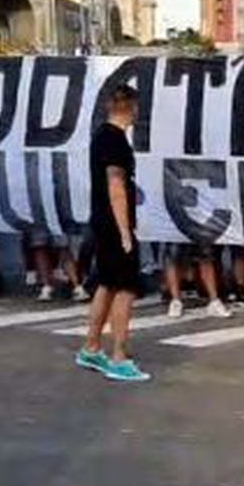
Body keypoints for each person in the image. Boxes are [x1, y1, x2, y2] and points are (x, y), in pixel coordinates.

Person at [77, 86, 150, 383]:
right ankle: (119, 356)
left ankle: (91, 347)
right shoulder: (115, 140)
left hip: (103, 223)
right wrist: (125, 232)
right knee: (125, 288)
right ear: (131, 107)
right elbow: (116, 186)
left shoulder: (102, 136)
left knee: (106, 284)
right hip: (113, 225)